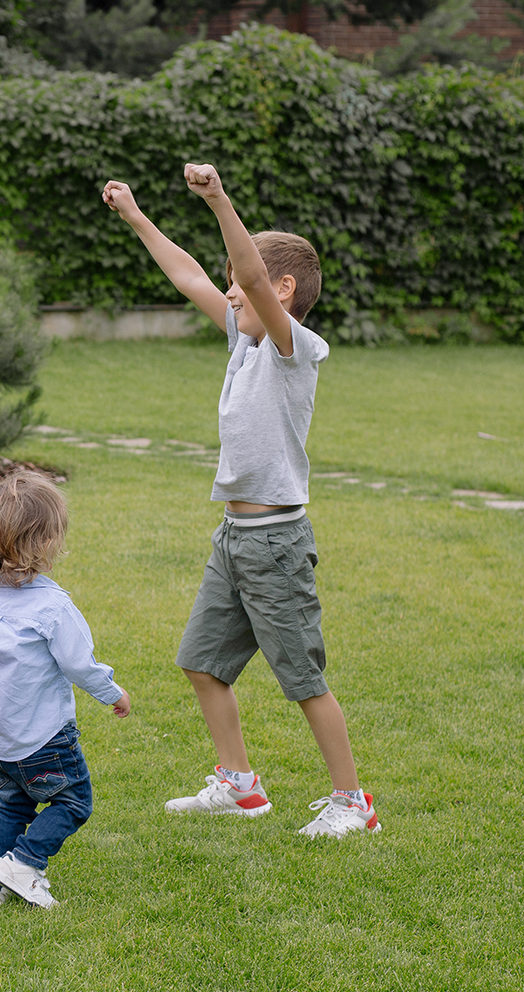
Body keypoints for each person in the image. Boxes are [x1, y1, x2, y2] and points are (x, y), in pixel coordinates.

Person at [100, 163, 378, 839]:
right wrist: (137, 217)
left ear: (280, 289)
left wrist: (220, 200)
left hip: (276, 542)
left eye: (243, 280)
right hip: (234, 539)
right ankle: (240, 785)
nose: (229, 290)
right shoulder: (246, 340)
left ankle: (353, 803)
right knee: (201, 661)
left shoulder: (292, 348)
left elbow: (248, 277)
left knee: (303, 679)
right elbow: (191, 276)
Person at [0, 470, 132, 908]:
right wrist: (113, 692)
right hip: (45, 739)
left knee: (11, 805)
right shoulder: (54, 607)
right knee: (73, 801)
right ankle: (25, 861)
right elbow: (79, 663)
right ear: (48, 543)